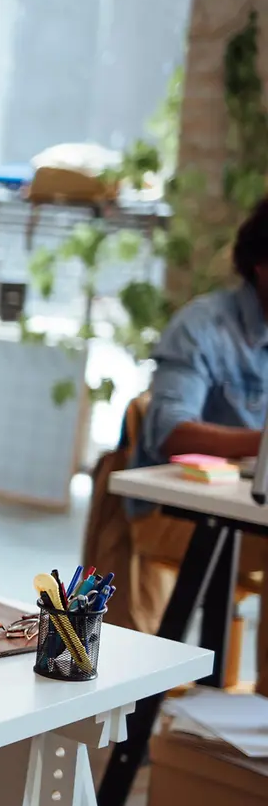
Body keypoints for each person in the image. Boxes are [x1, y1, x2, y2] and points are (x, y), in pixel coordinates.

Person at [129, 198, 268, 689]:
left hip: (249, 513)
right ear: (261, 265)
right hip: (173, 513)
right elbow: (170, 430)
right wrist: (263, 442)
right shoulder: (204, 326)